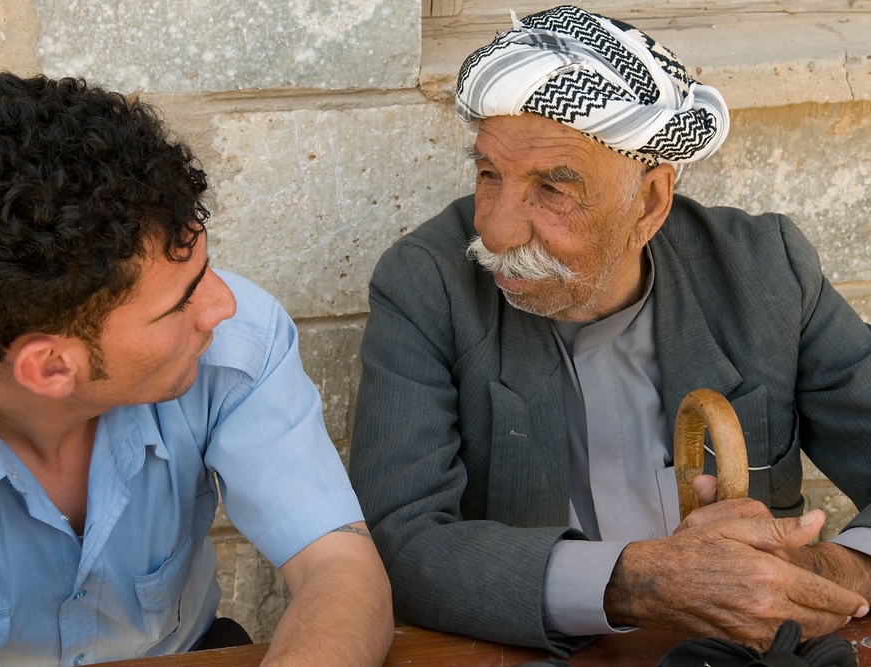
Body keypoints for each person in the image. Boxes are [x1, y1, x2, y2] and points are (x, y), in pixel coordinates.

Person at [348, 4, 871, 658]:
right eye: (489, 174)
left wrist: (832, 572)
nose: (498, 229)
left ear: (650, 202)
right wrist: (637, 582)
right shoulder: (427, 283)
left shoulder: (765, 271)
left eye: (552, 188)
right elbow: (402, 540)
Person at [0, 72, 392, 666]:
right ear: (49, 368)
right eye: (179, 301)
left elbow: (339, 567)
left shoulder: (234, 344)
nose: (221, 305)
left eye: (202, 265)